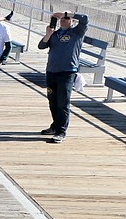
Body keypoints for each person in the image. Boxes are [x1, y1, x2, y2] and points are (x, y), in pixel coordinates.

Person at [37, 11, 88, 143]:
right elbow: (41, 46)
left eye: (67, 19)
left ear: (72, 20)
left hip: (67, 72)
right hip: (52, 71)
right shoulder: (55, 33)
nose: (64, 20)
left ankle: (61, 131)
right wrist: (48, 34)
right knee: (52, 100)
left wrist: (66, 13)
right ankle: (55, 125)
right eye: (62, 19)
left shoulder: (76, 33)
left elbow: (85, 18)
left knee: (63, 102)